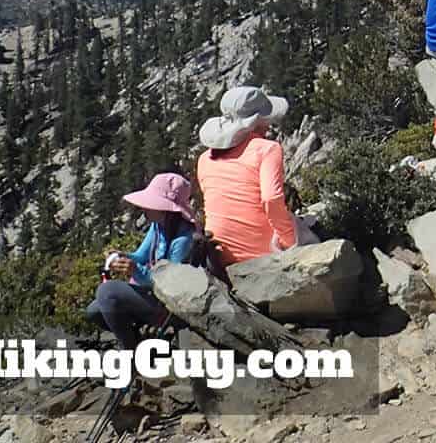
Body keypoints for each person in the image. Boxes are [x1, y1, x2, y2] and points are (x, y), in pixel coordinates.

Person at [85, 172, 197, 348]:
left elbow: (170, 285)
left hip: (169, 306)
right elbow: (141, 256)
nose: (144, 209)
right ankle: (138, 341)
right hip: (151, 295)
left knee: (107, 292)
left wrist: (135, 270)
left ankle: (130, 353)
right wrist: (122, 256)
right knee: (95, 310)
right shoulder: (158, 226)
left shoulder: (183, 239)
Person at [196, 86, 298, 266]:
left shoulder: (205, 158)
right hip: (260, 254)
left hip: (218, 253)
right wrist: (290, 242)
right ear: (258, 121)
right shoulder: (267, 149)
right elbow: (272, 199)